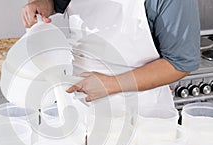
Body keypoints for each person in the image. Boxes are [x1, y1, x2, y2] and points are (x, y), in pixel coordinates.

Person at [21, 0, 200, 109]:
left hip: (143, 115)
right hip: (80, 108)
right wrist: (41, 4)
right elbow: (52, 3)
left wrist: (111, 84)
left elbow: (180, 64)